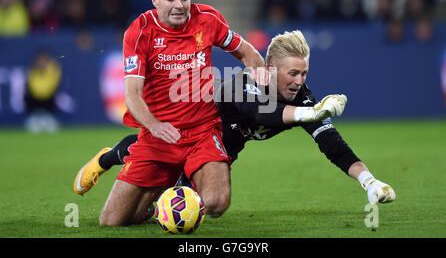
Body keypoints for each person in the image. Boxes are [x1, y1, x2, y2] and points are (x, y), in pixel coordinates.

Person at [74, 30, 395, 218]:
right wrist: (312, 114)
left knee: (170, 208)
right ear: (269, 69)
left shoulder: (301, 99)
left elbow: (331, 144)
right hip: (190, 131)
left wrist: (369, 182)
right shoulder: (243, 84)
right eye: (292, 74)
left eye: (304, 74)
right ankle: (107, 158)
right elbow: (261, 114)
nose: (299, 82)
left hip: (222, 150)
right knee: (156, 163)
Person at [77, 0, 265, 226]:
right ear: (155, 0)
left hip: (202, 130)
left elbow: (246, 52)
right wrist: (154, 126)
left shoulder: (208, 19)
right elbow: (132, 94)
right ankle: (119, 160)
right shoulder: (140, 31)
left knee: (216, 204)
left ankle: (177, 189)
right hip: (158, 136)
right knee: (111, 221)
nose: (180, 5)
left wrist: (261, 75)